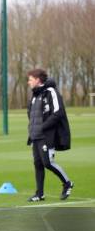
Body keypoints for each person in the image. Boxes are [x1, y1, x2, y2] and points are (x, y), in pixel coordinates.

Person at [26, 68, 73, 202]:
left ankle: (67, 183)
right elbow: (31, 115)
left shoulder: (51, 92)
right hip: (36, 136)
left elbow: (58, 113)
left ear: (37, 79)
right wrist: (32, 131)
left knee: (48, 163)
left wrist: (42, 127)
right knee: (38, 164)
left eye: (30, 79)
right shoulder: (34, 96)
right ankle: (39, 194)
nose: (28, 82)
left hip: (47, 136)